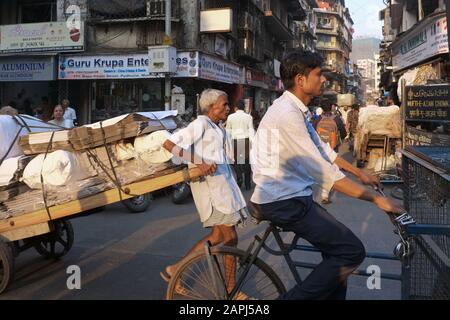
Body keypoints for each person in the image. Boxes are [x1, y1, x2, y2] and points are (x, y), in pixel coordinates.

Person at [250, 49, 405, 300]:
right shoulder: (287, 114)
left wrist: (360, 173)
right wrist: (377, 199)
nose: (323, 79)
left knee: (336, 256)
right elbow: (321, 170)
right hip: (283, 200)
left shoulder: (297, 110)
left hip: (291, 196)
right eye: (318, 74)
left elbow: (323, 151)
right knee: (351, 252)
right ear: (300, 80)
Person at [161, 89, 249, 299]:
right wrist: (198, 161)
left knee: (219, 236)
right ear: (211, 107)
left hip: (224, 191)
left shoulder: (218, 127)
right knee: (230, 240)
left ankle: (176, 268)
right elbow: (169, 144)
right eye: (224, 104)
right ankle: (231, 290)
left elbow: (225, 156)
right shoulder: (200, 124)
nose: (228, 108)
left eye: (228, 104)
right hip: (213, 193)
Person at [226, 100, 255, 190]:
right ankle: (247, 184)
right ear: (244, 108)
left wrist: (227, 143)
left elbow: (228, 131)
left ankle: (239, 179)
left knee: (236, 162)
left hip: (234, 141)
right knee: (246, 162)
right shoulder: (248, 117)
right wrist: (252, 143)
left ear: (236, 108)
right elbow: (251, 130)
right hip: (245, 141)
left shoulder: (230, 117)